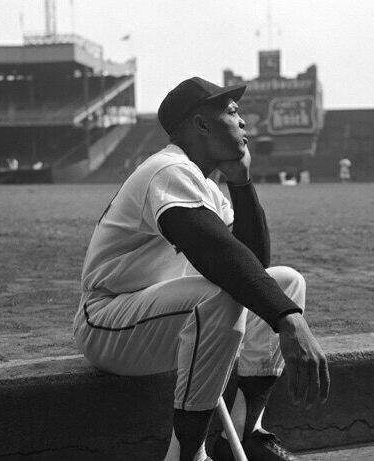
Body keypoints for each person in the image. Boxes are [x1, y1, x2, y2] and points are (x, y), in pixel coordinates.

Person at [73, 77, 330, 461]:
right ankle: (186, 456)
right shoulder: (166, 169)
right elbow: (215, 251)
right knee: (223, 296)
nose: (243, 121)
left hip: (164, 317)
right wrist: (290, 322)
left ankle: (243, 435)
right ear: (201, 124)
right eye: (231, 111)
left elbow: (252, 266)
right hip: (109, 320)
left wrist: (241, 183)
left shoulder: (207, 185)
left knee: (287, 282)